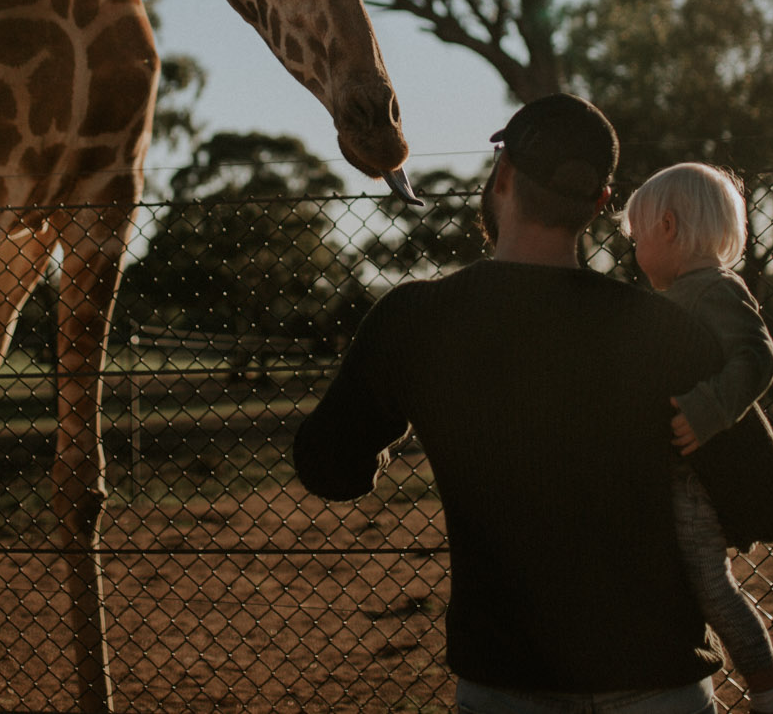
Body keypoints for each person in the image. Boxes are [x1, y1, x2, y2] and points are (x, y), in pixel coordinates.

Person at [294, 93, 727, 714]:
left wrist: (411, 415)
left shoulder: (415, 321)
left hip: (505, 679)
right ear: (602, 205)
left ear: (502, 176)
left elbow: (328, 468)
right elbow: (770, 505)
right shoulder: (664, 329)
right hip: (658, 672)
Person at [624, 163, 773, 714]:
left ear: (670, 227)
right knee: (686, 578)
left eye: (636, 239)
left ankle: (770, 700)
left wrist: (708, 410)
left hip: (698, 475)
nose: (633, 253)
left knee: (709, 582)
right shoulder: (684, 294)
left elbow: (758, 357)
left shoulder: (712, 291)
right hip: (677, 472)